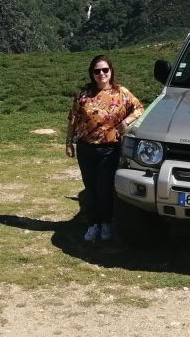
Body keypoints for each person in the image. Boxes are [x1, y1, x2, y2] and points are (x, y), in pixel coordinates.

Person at [66, 55, 144, 242]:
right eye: (97, 71)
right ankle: (94, 225)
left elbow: (139, 108)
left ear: (111, 71)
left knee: (104, 189)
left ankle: (107, 224)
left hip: (109, 149)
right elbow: (73, 119)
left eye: (105, 70)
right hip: (86, 148)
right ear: (92, 74)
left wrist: (126, 122)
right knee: (90, 188)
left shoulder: (121, 93)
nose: (101, 74)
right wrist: (68, 141)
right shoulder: (84, 94)